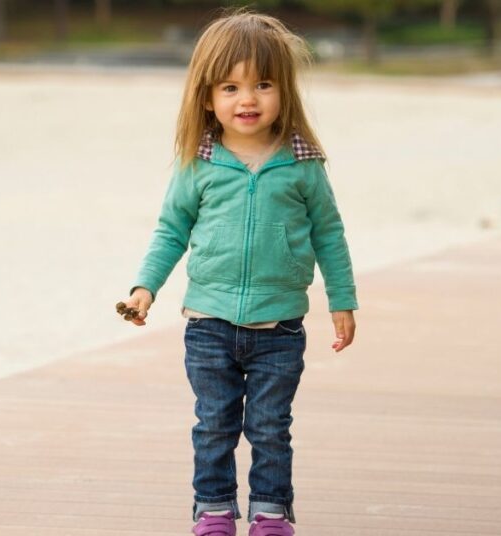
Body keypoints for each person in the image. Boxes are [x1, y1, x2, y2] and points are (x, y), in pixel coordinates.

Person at [119, 9, 357, 536]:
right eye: (230, 86)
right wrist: (144, 288)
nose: (247, 99)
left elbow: (329, 234)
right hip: (209, 323)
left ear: (285, 91)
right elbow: (170, 230)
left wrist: (343, 299)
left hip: (279, 328)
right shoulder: (198, 163)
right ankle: (214, 510)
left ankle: (271, 511)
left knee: (271, 428)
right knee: (215, 426)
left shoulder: (302, 163)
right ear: (207, 97)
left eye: (263, 85)